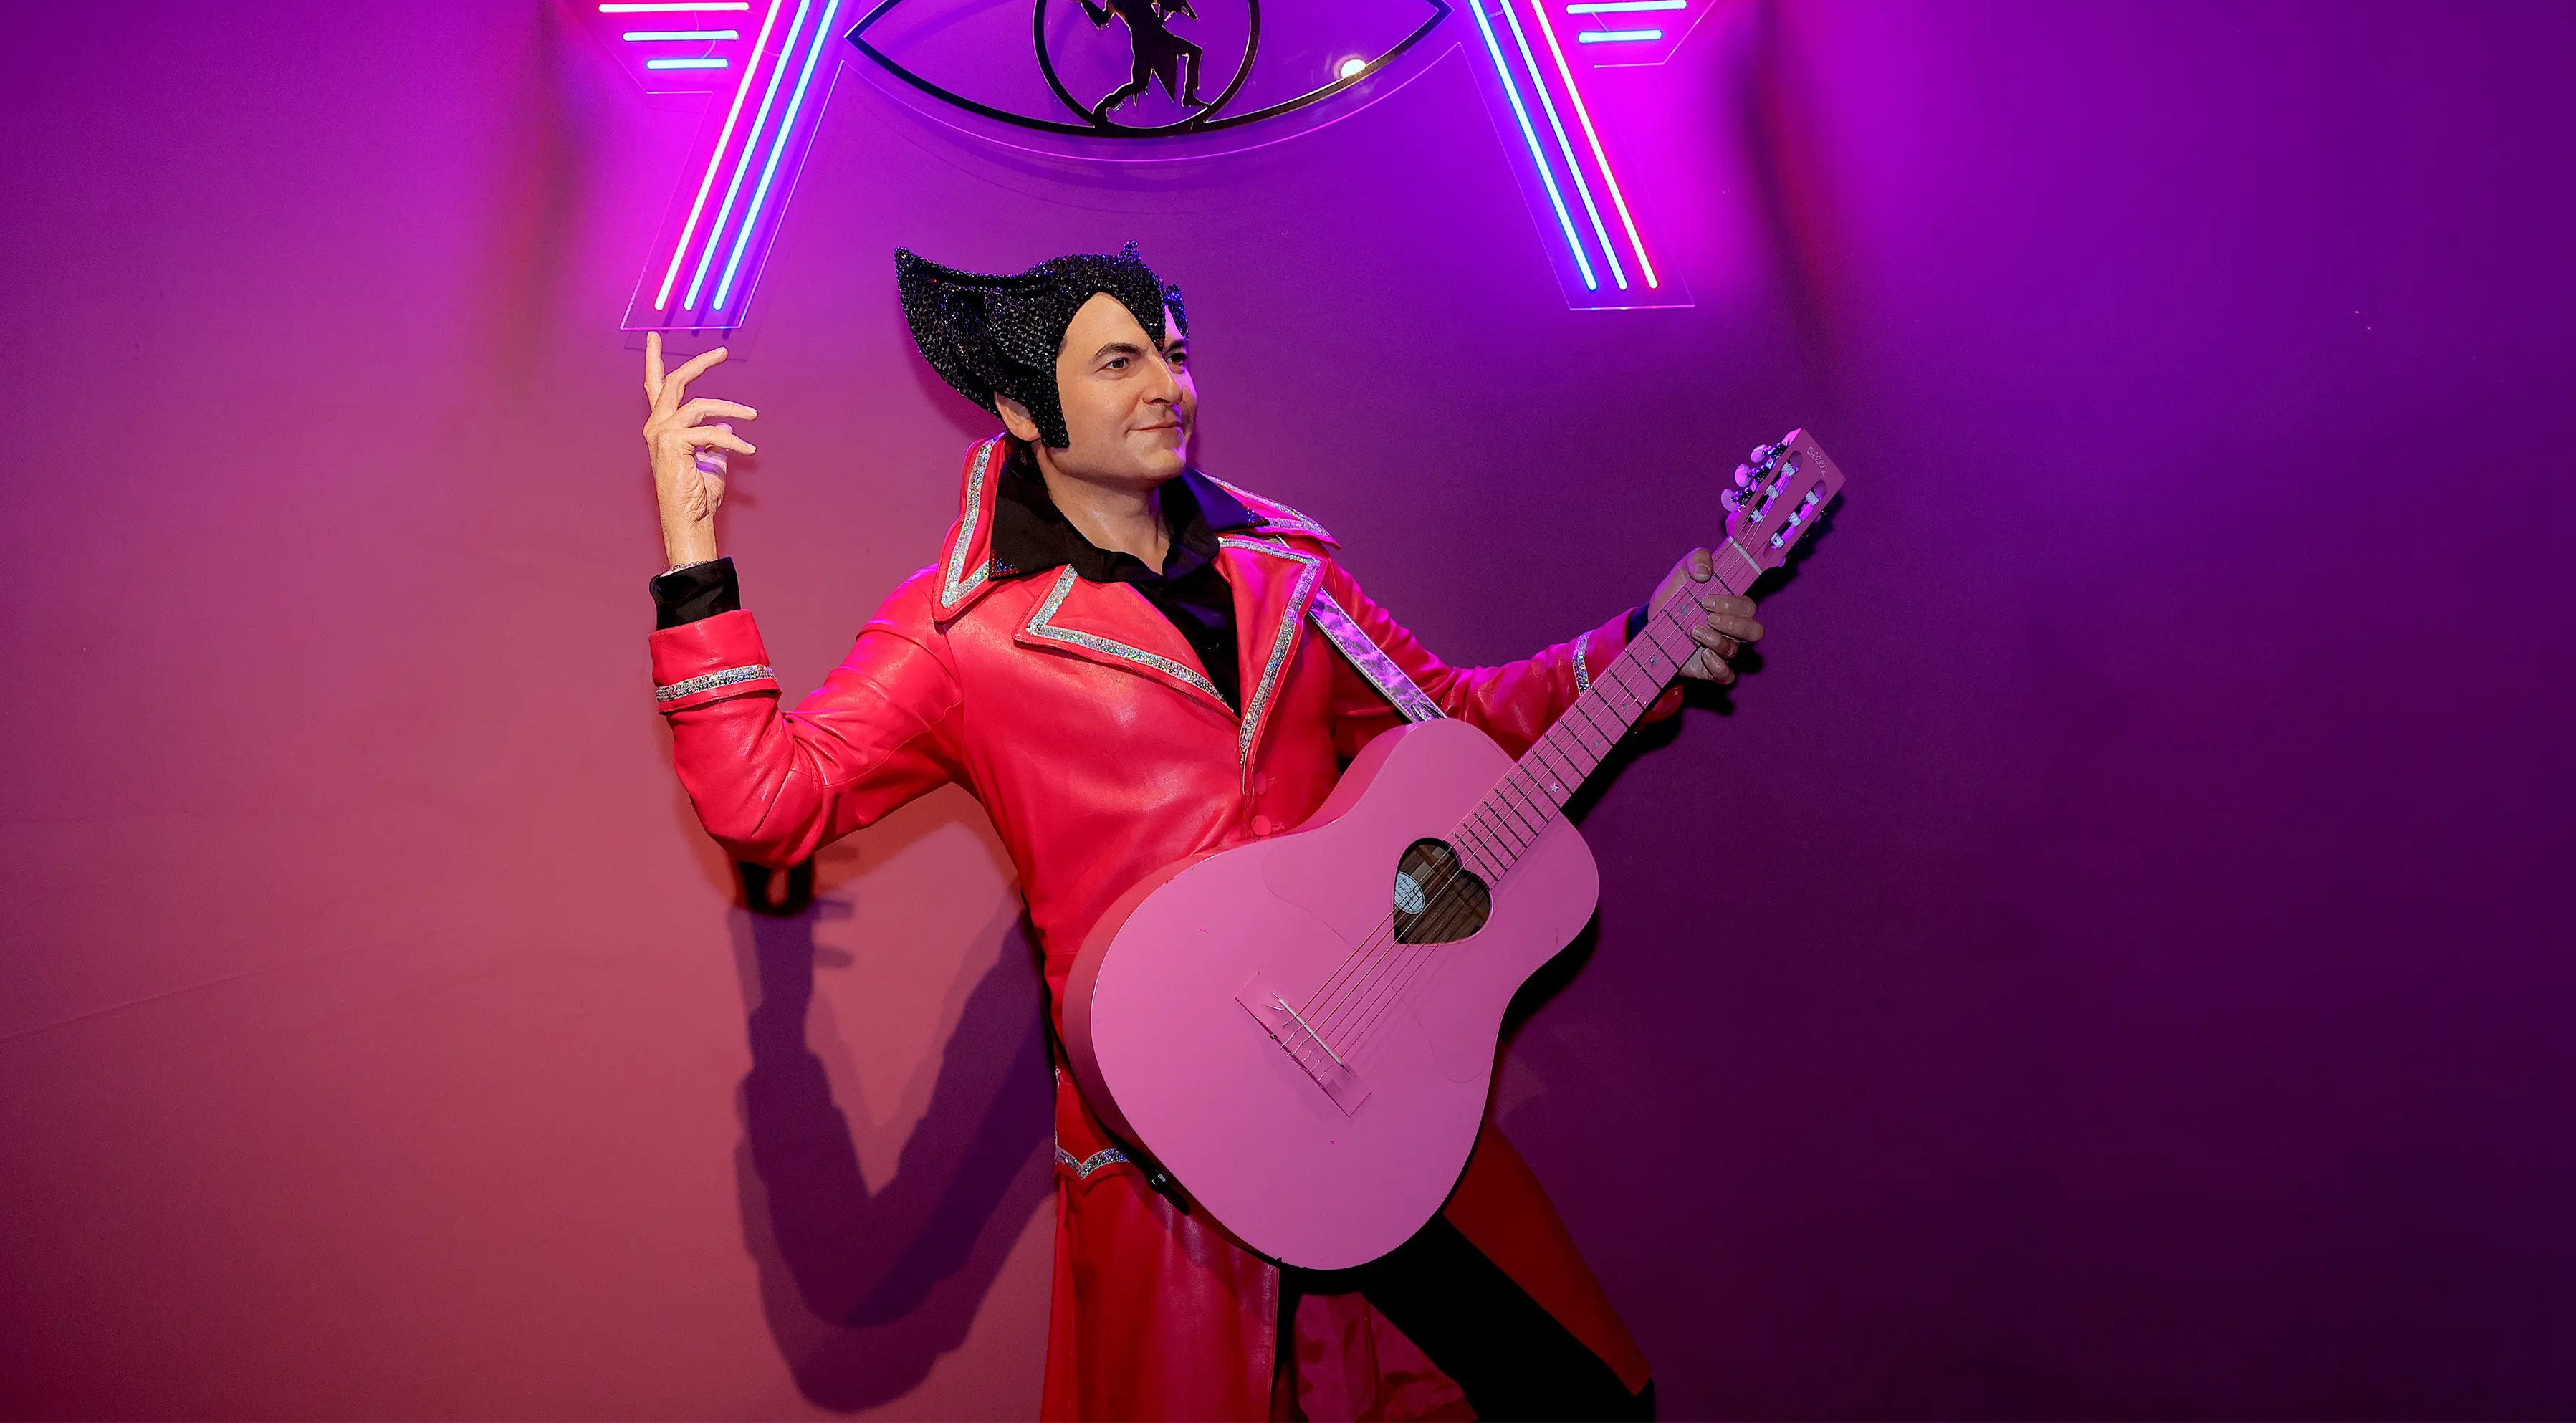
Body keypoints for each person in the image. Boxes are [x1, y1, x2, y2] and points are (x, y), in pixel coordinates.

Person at [638, 245, 1760, 1422]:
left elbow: (1457, 727)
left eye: (1173, 356)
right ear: (1022, 410)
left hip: (1372, 1095)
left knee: (1580, 1397)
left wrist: (1645, 642)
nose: (1165, 387)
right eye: (1118, 362)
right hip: (1173, 1159)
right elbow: (767, 803)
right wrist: (691, 561)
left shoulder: (1289, 572)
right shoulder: (963, 630)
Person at [1071, 0, 1209, 123]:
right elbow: (1103, 18)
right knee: (1140, 84)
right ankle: (1103, 107)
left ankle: (1189, 95)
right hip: (1148, 40)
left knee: (1192, 53)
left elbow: (1164, 1)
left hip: (1153, 37)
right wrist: (1086, 3)